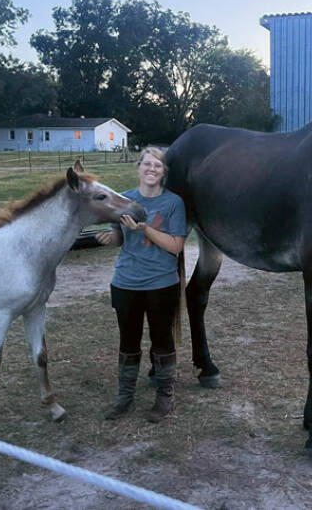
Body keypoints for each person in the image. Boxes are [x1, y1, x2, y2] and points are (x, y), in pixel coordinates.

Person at [95, 147, 187, 423]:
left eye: (157, 166)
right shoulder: (124, 200)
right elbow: (118, 238)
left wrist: (144, 228)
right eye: (147, 164)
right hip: (125, 283)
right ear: (138, 167)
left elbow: (176, 246)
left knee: (162, 340)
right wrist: (109, 238)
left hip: (161, 284)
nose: (151, 169)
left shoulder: (173, 203)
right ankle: (125, 397)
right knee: (128, 340)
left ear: (163, 172)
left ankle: (164, 397)